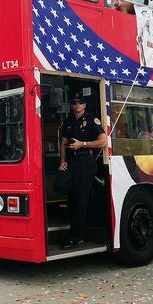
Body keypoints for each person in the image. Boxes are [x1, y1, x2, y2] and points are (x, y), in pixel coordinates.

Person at [58, 92, 107, 249]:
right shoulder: (68, 121)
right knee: (68, 195)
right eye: (74, 103)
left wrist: (83, 144)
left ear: (84, 105)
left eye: (79, 103)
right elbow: (63, 142)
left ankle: (76, 237)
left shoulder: (92, 120)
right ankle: (74, 232)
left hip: (86, 161)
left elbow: (103, 142)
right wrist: (62, 161)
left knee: (81, 200)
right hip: (71, 162)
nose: (76, 105)